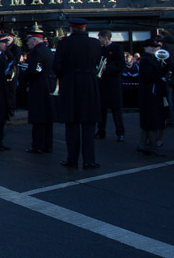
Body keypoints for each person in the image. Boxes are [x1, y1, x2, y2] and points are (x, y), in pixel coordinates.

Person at [53, 18, 103, 169]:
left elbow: (57, 66)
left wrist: (66, 75)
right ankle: (89, 160)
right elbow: (97, 62)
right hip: (89, 84)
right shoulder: (94, 43)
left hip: (70, 84)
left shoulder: (64, 43)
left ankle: (72, 159)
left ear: (72, 29)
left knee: (72, 124)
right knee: (89, 124)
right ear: (84, 28)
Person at [21, 30, 57, 154]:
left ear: (34, 40)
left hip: (39, 87)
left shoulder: (37, 51)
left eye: (29, 41)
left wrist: (24, 79)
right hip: (48, 86)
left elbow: (33, 70)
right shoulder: (47, 50)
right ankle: (47, 145)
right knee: (47, 118)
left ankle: (38, 145)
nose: (27, 43)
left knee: (38, 117)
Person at [137, 38, 168, 155]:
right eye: (151, 46)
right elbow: (148, 77)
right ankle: (151, 146)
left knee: (149, 120)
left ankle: (144, 143)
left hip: (151, 93)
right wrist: (161, 72)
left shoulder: (150, 59)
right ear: (145, 47)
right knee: (151, 120)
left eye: (155, 47)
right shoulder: (146, 60)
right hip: (150, 94)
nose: (154, 49)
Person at [96, 29, 126, 142]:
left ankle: (120, 132)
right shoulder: (101, 49)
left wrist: (107, 68)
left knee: (116, 109)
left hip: (113, 82)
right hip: (103, 82)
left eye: (100, 37)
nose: (99, 40)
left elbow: (121, 67)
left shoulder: (117, 48)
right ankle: (101, 131)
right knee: (101, 109)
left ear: (105, 37)